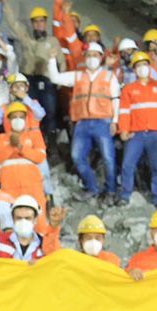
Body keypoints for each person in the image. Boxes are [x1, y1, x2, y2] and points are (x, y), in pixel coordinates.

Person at [47, 40, 120, 198]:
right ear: (85, 57)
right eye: (88, 55)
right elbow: (55, 78)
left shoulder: (109, 76)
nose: (91, 58)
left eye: (95, 55)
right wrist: (52, 59)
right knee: (77, 156)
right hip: (82, 123)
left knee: (108, 157)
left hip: (103, 122)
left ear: (101, 58)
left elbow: (116, 99)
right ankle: (91, 187)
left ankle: (111, 190)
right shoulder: (78, 76)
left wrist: (115, 121)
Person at [116, 51, 157, 206]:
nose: (142, 68)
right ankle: (125, 195)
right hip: (136, 134)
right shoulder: (128, 89)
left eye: (144, 64)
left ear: (149, 67)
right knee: (127, 164)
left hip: (156, 134)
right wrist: (123, 130)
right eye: (138, 66)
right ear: (134, 70)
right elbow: (124, 112)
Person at [5, 1, 62, 139]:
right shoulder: (27, 39)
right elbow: (14, 24)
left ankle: (52, 143)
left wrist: (59, 84)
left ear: (45, 22)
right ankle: (33, 138)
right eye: (35, 21)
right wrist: (6, 3)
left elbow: (61, 61)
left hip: (47, 80)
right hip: (29, 79)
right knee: (30, 110)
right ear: (32, 23)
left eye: (41, 21)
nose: (38, 24)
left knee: (50, 111)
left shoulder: (53, 41)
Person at [0, 102, 48, 207]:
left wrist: (20, 147)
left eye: (21, 117)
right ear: (9, 120)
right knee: (11, 220)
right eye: (14, 117)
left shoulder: (34, 136)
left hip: (33, 185)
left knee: (38, 220)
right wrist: (11, 146)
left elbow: (40, 157)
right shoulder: (0, 138)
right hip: (9, 186)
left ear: (26, 119)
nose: (18, 120)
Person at [0, 194, 47, 263]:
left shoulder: (44, 243)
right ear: (13, 219)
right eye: (19, 218)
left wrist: (41, 265)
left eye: (27, 218)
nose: (23, 222)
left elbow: (55, 263)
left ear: (35, 219)